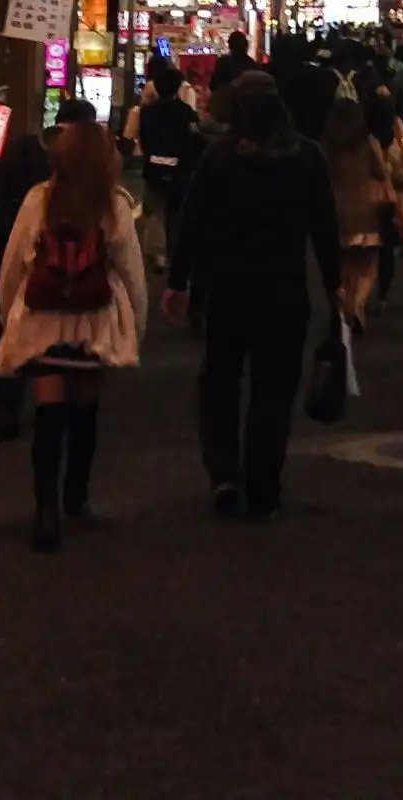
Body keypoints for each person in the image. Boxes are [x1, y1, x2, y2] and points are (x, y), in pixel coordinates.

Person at [166, 74, 338, 522]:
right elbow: (324, 225)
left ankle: (223, 473)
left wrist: (178, 280)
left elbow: (192, 219)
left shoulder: (221, 157)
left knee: (220, 381)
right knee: (273, 389)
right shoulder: (306, 156)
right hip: (284, 287)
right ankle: (263, 483)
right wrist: (335, 282)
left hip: (226, 285)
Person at [0, 109, 147, 553]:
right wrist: (136, 322)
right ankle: (76, 496)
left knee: (49, 413)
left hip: (43, 318)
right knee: (85, 411)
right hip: (93, 319)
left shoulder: (40, 199)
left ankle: (45, 510)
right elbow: (131, 271)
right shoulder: (113, 203)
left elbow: (14, 263)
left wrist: (9, 317)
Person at [0, 116, 54, 439]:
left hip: (9, 270)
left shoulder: (2, 191)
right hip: (46, 281)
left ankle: (6, 413)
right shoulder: (44, 198)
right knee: (44, 346)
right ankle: (47, 410)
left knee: (10, 343)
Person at [319, 97, 400, 323]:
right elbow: (381, 172)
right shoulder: (367, 141)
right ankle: (358, 304)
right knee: (367, 264)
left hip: (336, 209)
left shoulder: (326, 145)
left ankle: (344, 307)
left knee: (343, 266)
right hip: (365, 208)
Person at [132, 61, 202, 272]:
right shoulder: (186, 112)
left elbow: (142, 138)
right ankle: (175, 253)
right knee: (176, 213)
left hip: (153, 166)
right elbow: (194, 140)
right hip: (180, 169)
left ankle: (157, 254)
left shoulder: (147, 112)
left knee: (154, 211)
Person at [363, 86, 403, 311]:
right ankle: (382, 296)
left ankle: (362, 293)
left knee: (368, 248)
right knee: (388, 249)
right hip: (393, 197)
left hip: (367, 195)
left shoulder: (362, 136)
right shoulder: (397, 131)